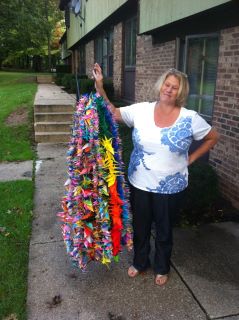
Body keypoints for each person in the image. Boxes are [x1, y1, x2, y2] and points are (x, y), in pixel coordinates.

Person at [92, 63, 219, 286]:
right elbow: (112, 112)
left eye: (175, 87)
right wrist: (100, 86)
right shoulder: (141, 110)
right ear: (161, 86)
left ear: (181, 92)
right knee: (140, 226)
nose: (169, 89)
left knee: (164, 229)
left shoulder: (190, 118)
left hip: (171, 187)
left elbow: (212, 137)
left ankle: (162, 266)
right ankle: (140, 262)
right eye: (167, 84)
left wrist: (191, 158)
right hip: (140, 182)